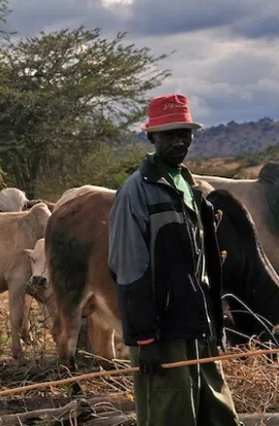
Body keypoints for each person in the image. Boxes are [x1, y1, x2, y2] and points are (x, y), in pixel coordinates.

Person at [107, 93, 242, 426]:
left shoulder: (191, 187)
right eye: (169, 134)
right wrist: (144, 339)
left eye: (185, 133)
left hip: (199, 327)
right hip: (162, 334)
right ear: (151, 137)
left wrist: (215, 324)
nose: (179, 141)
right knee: (170, 416)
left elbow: (203, 266)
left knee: (216, 414)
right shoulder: (136, 192)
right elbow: (128, 270)